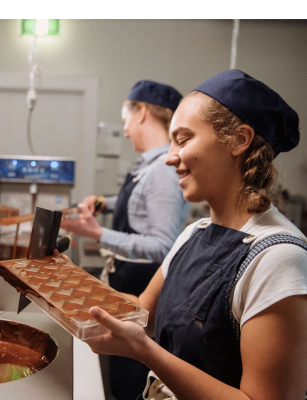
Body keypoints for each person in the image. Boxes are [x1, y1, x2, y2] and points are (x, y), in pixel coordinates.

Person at [83, 69, 307, 400]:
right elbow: (141, 311)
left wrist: (146, 352)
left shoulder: (278, 257)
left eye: (183, 140)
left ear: (239, 140)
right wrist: (59, 284)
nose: (171, 157)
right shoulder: (195, 234)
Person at [61, 80, 190, 400]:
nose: (127, 130)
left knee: (131, 381)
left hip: (144, 289)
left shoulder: (162, 169)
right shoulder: (148, 164)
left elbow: (163, 244)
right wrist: (103, 203)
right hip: (128, 286)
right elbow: (137, 202)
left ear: (142, 112)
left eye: (125, 121)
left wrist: (96, 233)